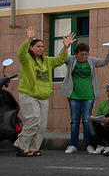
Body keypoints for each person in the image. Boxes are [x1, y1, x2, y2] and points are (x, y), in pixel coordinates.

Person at [14, 26, 74, 156]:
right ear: (31, 48)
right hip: (29, 94)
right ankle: (22, 145)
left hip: (43, 95)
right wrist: (28, 39)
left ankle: (34, 148)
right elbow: (20, 54)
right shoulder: (27, 60)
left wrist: (65, 47)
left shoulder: (46, 61)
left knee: (41, 124)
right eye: (38, 46)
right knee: (33, 119)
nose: (41, 49)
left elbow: (59, 61)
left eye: (42, 47)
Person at [61, 42, 109, 154]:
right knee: (74, 121)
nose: (84, 56)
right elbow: (62, 58)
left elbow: (104, 62)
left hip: (88, 95)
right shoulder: (71, 60)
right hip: (74, 95)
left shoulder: (91, 61)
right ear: (76, 54)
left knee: (86, 120)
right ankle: (73, 144)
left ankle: (88, 144)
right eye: (82, 54)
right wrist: (66, 46)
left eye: (86, 54)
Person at [89, 82, 109, 154]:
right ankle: (99, 145)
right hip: (104, 127)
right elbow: (98, 117)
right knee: (90, 122)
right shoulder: (102, 104)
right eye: (108, 90)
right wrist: (97, 120)